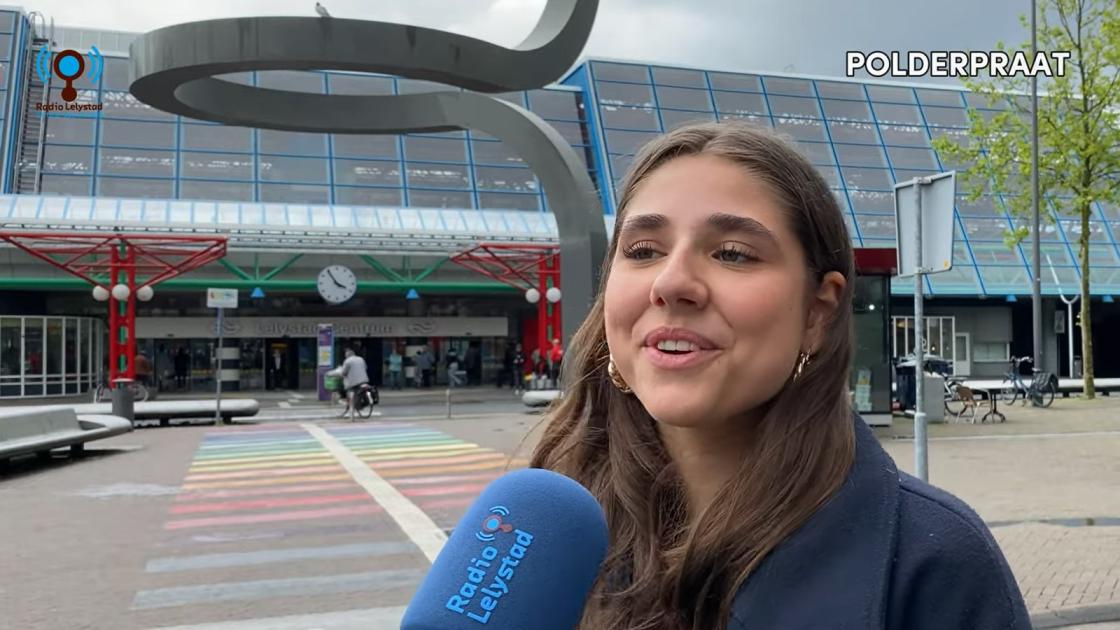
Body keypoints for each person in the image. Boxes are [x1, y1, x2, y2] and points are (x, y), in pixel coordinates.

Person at [529, 122, 1030, 630]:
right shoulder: (531, 543)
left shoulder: (937, 567)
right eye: (642, 251)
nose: (671, 282)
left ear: (817, 312)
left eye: (731, 253)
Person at [337, 347, 370, 416]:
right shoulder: (361, 359)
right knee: (362, 392)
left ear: (347, 356)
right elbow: (365, 367)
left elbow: (344, 372)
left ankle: (350, 404)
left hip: (353, 383)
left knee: (348, 391)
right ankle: (360, 404)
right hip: (364, 380)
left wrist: (341, 375)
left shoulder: (347, 361)